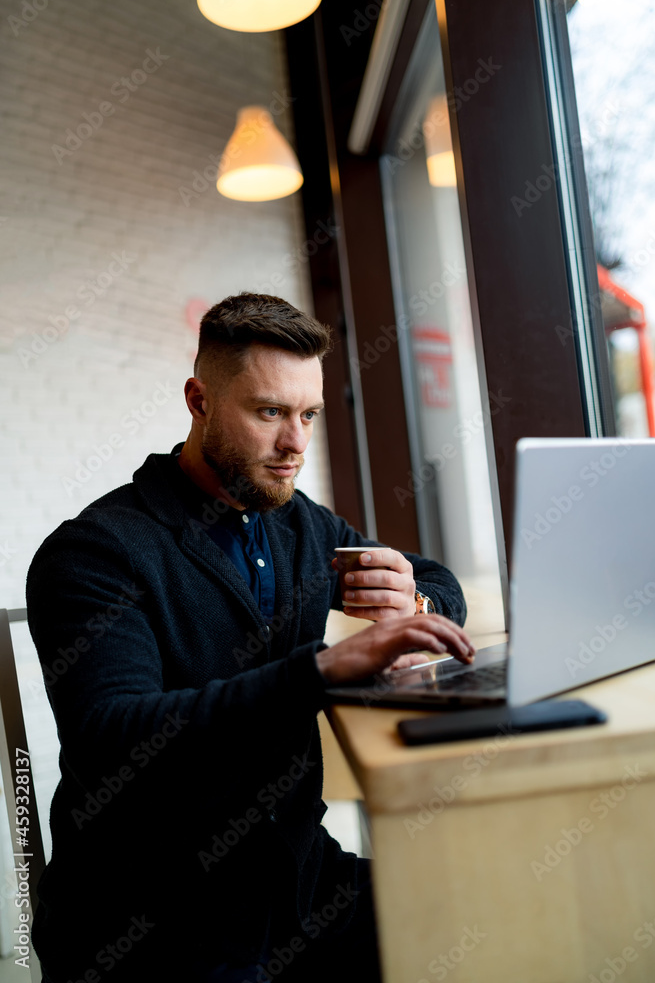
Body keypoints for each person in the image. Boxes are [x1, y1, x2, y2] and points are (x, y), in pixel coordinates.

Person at [26, 293, 474, 983]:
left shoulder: (302, 527)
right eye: (269, 413)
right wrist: (318, 671)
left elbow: (438, 581)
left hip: (293, 877)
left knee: (476, 917)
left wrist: (413, 596)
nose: (295, 443)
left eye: (308, 415)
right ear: (199, 400)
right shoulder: (96, 551)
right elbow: (110, 732)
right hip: (150, 919)